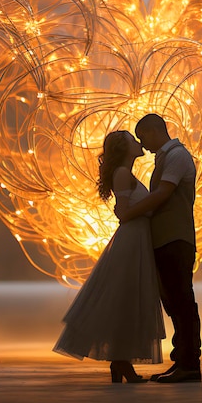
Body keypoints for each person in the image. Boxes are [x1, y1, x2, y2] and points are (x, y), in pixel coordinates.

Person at [53, 130, 165, 383]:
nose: (139, 143)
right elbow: (125, 213)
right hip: (131, 241)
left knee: (126, 301)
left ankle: (121, 362)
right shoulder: (123, 174)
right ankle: (122, 362)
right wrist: (153, 206)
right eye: (133, 141)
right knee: (125, 300)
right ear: (123, 149)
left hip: (136, 240)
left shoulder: (126, 174)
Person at [115, 114, 202, 383]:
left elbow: (163, 194)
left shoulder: (176, 156)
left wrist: (128, 213)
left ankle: (189, 364)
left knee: (182, 301)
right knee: (174, 303)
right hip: (165, 239)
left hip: (176, 238)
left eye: (144, 138)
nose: (143, 144)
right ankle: (182, 361)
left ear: (154, 132)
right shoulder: (165, 158)